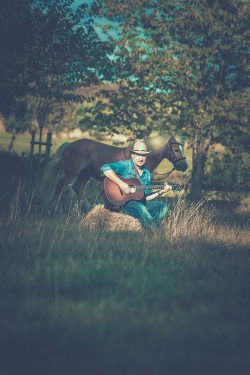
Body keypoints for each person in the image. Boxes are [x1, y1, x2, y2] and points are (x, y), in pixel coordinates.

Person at [99, 140, 170, 229]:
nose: (141, 158)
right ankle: (156, 231)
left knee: (162, 207)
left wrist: (160, 192)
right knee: (141, 208)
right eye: (138, 155)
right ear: (133, 155)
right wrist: (122, 184)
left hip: (139, 203)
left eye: (143, 155)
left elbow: (144, 197)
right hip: (124, 204)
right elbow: (105, 169)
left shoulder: (147, 174)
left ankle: (148, 225)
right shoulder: (125, 165)